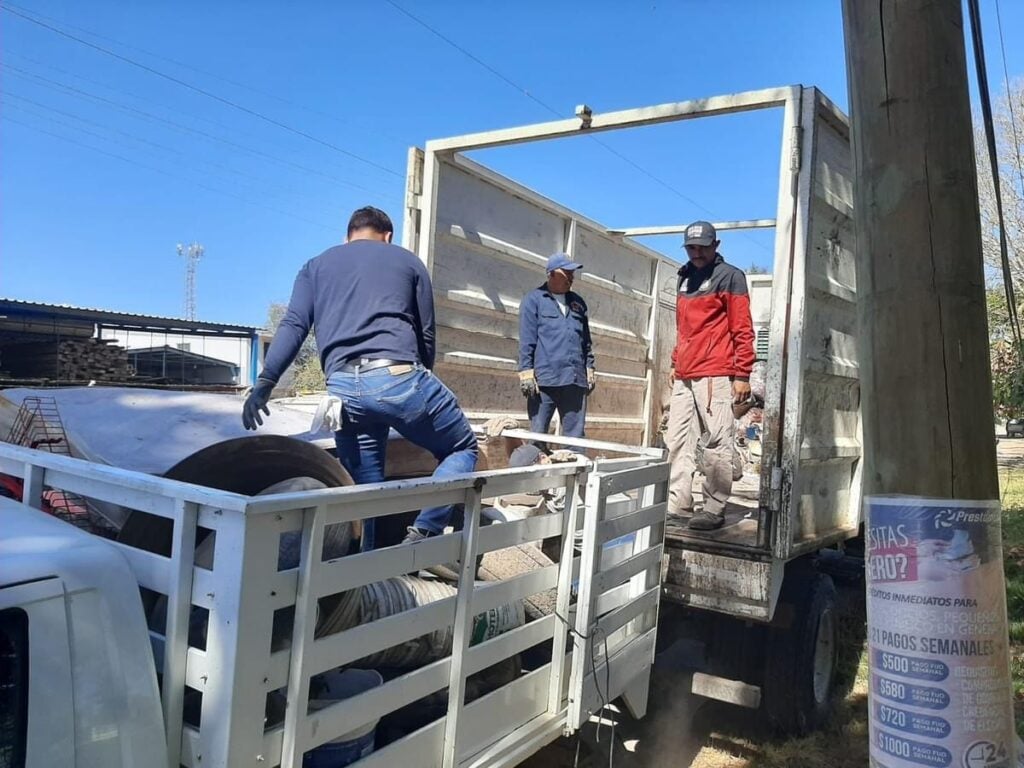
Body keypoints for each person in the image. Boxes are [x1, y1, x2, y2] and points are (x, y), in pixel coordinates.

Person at [242, 206, 478, 550]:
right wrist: (419, 381)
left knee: (365, 489)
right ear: (388, 237)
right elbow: (426, 333)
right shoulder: (407, 261)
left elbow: (294, 324)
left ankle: (363, 576)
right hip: (398, 376)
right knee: (461, 447)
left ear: (347, 237)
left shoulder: (315, 265)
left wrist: (265, 383)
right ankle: (424, 532)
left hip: (342, 391)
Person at [665, 221, 755, 530]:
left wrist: (742, 374)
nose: (697, 252)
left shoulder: (730, 276)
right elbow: (684, 330)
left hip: (716, 372)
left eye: (703, 246)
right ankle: (679, 504)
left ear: (716, 246)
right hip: (685, 375)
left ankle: (714, 508)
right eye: (692, 247)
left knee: (717, 442)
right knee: (676, 440)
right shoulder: (684, 276)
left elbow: (742, 329)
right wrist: (676, 363)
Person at [517, 253, 596, 449]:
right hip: (545, 381)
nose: (571, 277)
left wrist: (589, 367)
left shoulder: (578, 303)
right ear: (551, 274)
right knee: (538, 434)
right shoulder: (533, 300)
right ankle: (536, 474)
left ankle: (574, 477)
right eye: (566, 272)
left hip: (574, 380)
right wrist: (526, 373)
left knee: (574, 440)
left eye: (572, 273)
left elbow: (586, 340)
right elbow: (527, 340)